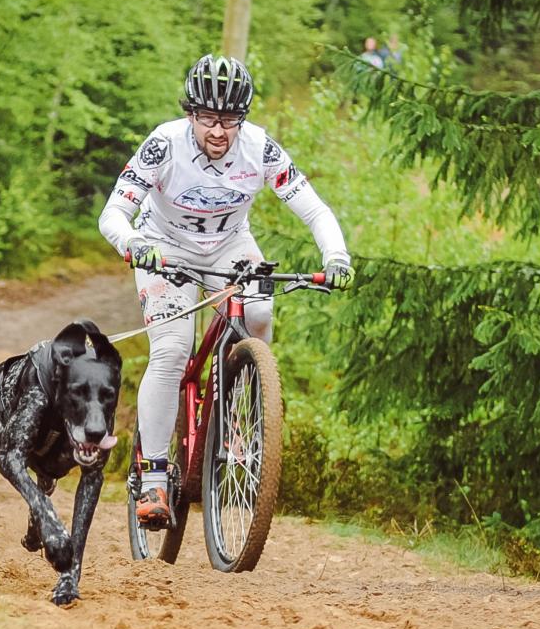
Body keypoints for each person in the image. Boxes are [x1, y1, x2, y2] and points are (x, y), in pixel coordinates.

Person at [97, 53, 354, 526]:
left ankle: (238, 409)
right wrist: (134, 243)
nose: (218, 131)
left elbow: (315, 209)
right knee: (173, 350)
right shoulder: (164, 144)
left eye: (230, 121)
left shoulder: (260, 148)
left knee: (258, 316)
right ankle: (153, 476)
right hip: (163, 246)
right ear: (191, 113)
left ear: (243, 119)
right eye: (208, 119)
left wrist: (336, 256)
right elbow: (113, 214)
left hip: (229, 247)